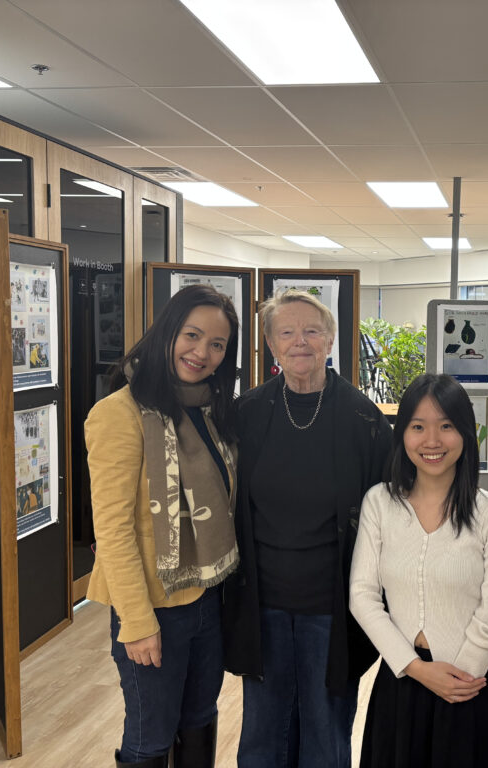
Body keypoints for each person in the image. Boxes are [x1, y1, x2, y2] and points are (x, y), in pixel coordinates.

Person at [222, 289, 392, 768]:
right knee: (262, 733)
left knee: (325, 731)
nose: (300, 342)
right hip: (262, 603)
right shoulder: (246, 414)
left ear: (331, 340)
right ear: (271, 345)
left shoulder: (365, 420)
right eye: (287, 332)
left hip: (334, 606)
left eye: (312, 331)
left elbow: (388, 516)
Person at [85, 284, 240, 768]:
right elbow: (112, 531)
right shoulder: (119, 414)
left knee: (198, 718)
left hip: (207, 596)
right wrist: (136, 621)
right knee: (151, 734)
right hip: (153, 606)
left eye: (217, 344)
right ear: (167, 332)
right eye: (192, 335)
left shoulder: (211, 411)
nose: (203, 353)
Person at [349, 373, 488, 767]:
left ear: (466, 433)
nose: (432, 441)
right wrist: (415, 669)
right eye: (418, 427)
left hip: (468, 688)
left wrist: (459, 680)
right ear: (402, 434)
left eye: (446, 426)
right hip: (401, 681)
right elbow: (362, 596)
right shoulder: (380, 503)